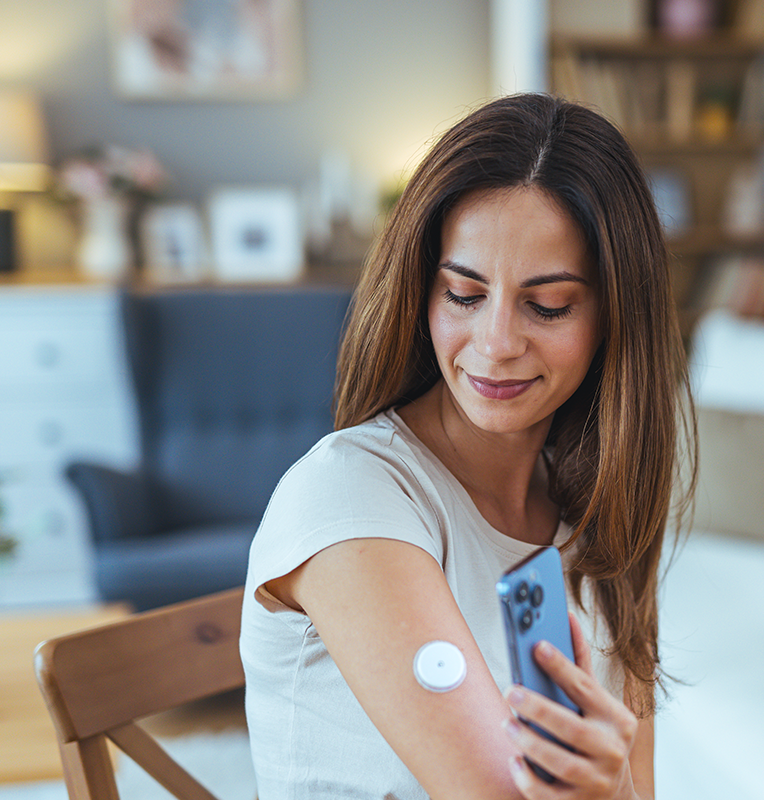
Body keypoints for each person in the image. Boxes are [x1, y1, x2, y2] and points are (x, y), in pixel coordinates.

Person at [240, 92, 696, 800]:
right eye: (463, 293)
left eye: (547, 305)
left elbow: (639, 782)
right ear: (423, 292)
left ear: (616, 315)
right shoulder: (348, 495)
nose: (495, 344)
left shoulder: (595, 509)